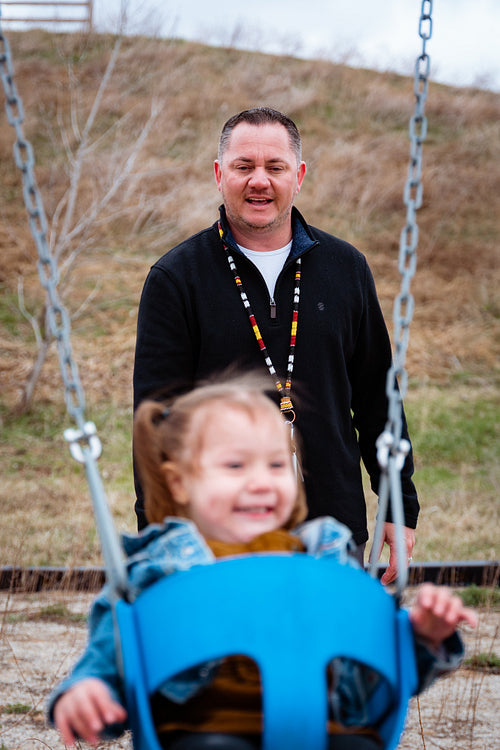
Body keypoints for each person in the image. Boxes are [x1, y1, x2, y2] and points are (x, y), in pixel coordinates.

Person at [49, 375, 476, 750]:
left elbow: (373, 675)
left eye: (276, 464)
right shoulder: (157, 569)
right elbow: (113, 655)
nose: (261, 481)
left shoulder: (324, 557)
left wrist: (424, 637)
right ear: (179, 482)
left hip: (328, 733)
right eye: (235, 465)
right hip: (207, 733)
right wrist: (88, 689)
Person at [132, 107, 419, 582]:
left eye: (275, 167)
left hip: (332, 526)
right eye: (244, 167)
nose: (258, 181)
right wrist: (158, 535)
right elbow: (156, 422)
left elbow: (377, 399)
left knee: (327, 656)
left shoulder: (346, 268)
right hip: (216, 533)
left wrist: (399, 502)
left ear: (298, 176)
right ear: (219, 174)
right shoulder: (176, 278)